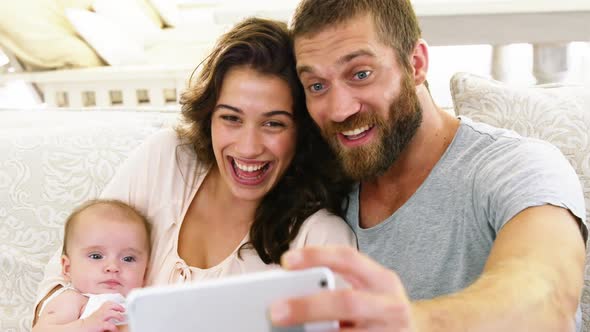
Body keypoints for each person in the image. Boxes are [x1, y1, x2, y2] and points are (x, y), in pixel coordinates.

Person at [269, 0, 587, 331]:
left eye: (361, 74)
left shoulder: (517, 166)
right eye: (317, 86)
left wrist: (415, 322)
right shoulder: (320, 183)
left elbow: (547, 294)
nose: (338, 110)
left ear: (416, 63)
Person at [33, 17, 356, 327]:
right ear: (209, 117)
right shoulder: (166, 159)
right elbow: (65, 272)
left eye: (274, 123)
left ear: (303, 131)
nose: (248, 147)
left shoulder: (320, 239)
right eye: (231, 118)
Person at [33, 199, 150, 332]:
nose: (112, 267)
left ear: (145, 273)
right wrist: (85, 325)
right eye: (96, 256)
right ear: (67, 268)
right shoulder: (73, 300)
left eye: (128, 258)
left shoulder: (140, 305)